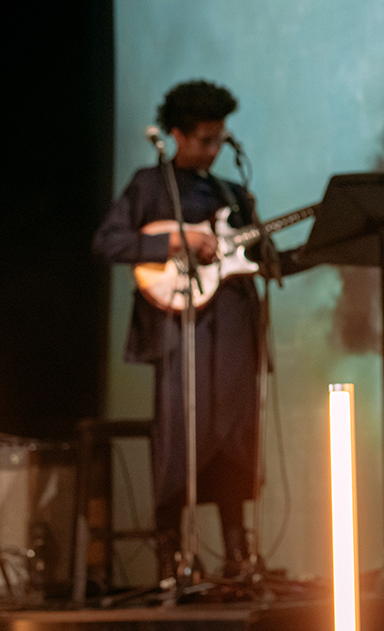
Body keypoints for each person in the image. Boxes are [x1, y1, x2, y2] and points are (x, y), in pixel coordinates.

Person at [93, 80, 270, 584]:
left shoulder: (232, 194)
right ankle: (171, 557)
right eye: (205, 140)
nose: (214, 150)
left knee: (235, 435)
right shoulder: (149, 186)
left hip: (232, 332)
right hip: (180, 333)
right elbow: (107, 243)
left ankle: (238, 554)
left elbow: (257, 260)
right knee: (178, 442)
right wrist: (177, 240)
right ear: (177, 135)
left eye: (220, 140)